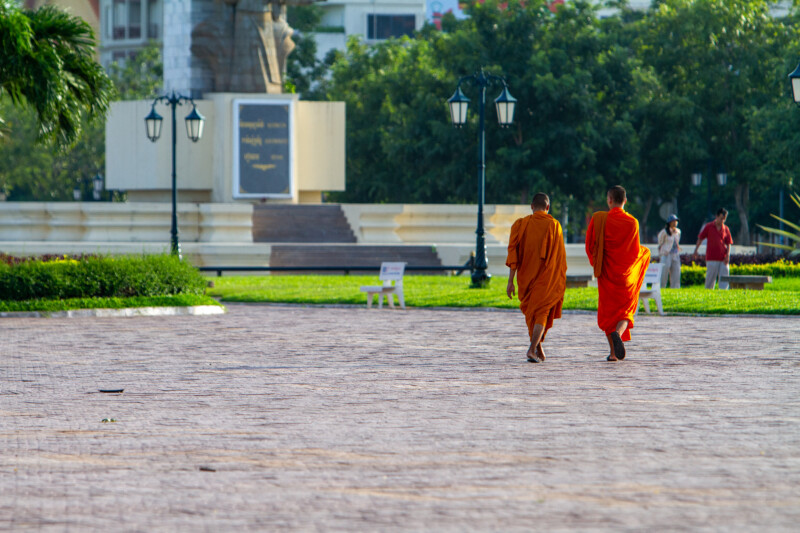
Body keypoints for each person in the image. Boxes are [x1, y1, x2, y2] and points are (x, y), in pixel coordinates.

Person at [585, 185, 651, 362]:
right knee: (625, 312)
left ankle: (614, 352)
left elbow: (589, 245)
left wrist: (596, 263)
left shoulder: (599, 219)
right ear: (625, 201)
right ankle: (618, 335)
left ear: (609, 200)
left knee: (608, 313)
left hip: (607, 273)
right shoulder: (633, 222)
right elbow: (635, 251)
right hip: (626, 277)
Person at [506, 193, 567, 363]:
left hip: (525, 279)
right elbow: (560, 259)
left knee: (533, 313)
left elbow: (513, 255)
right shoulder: (555, 226)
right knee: (540, 312)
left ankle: (537, 346)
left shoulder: (520, 225)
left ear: (532, 206)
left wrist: (510, 281)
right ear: (548, 208)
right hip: (546, 280)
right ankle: (532, 349)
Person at [693, 208, 733, 289]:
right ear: (716, 216)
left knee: (724, 278)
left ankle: (723, 294)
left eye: (724, 218)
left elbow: (729, 243)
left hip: (723, 257)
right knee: (710, 280)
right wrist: (696, 250)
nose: (723, 220)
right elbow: (700, 238)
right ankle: (708, 294)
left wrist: (727, 255)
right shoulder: (709, 226)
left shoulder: (726, 228)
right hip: (711, 258)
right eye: (721, 218)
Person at [656, 214, 682, 288]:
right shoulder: (664, 232)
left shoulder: (678, 232)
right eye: (673, 221)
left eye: (676, 221)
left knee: (676, 272)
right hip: (666, 254)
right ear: (669, 223)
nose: (675, 223)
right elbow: (660, 241)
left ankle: (675, 288)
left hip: (675, 254)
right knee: (664, 271)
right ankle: (662, 287)